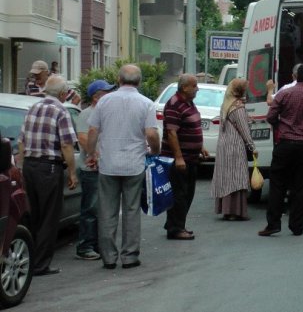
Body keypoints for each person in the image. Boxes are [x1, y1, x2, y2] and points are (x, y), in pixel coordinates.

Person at [87, 64, 160, 269]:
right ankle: (129, 256)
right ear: (139, 81)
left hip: (108, 163)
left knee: (107, 211)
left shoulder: (104, 102)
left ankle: (108, 257)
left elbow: (93, 130)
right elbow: (152, 134)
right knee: (131, 210)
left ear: (119, 80)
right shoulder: (146, 103)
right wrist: (155, 151)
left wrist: (92, 154)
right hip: (134, 164)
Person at [259, 63, 303, 237]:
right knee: (301, 186)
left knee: (277, 184)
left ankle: (273, 223)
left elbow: (271, 116)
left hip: (285, 143)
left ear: (296, 76)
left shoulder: (284, 93)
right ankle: (297, 225)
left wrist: (281, 128)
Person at [17, 75, 78, 276]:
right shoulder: (61, 111)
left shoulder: (33, 108)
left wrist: (22, 166)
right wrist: (72, 172)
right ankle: (40, 265)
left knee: (34, 216)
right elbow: (67, 145)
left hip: (30, 167)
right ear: (62, 94)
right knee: (49, 217)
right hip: (49, 168)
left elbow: (21, 142)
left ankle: (29, 260)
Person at [161, 74, 209, 240]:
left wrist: (200, 146)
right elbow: (172, 133)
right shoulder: (174, 104)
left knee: (187, 193)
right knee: (179, 194)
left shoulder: (188, 102)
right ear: (184, 88)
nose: (197, 88)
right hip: (179, 159)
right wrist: (179, 158)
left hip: (191, 157)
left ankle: (174, 223)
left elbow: (190, 126)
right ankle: (176, 228)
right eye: (194, 86)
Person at [74, 79, 116, 261]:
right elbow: (83, 138)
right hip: (91, 169)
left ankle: (97, 244)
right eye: (107, 93)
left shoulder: (106, 114)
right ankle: (85, 246)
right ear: (96, 97)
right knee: (90, 209)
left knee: (101, 209)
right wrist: (96, 155)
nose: (111, 95)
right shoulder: (86, 114)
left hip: (105, 168)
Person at [212, 78, 256, 221]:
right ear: (240, 91)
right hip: (235, 146)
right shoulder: (238, 106)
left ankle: (225, 210)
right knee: (236, 177)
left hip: (223, 145)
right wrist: (252, 147)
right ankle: (235, 212)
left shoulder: (226, 104)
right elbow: (243, 129)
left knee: (226, 177)